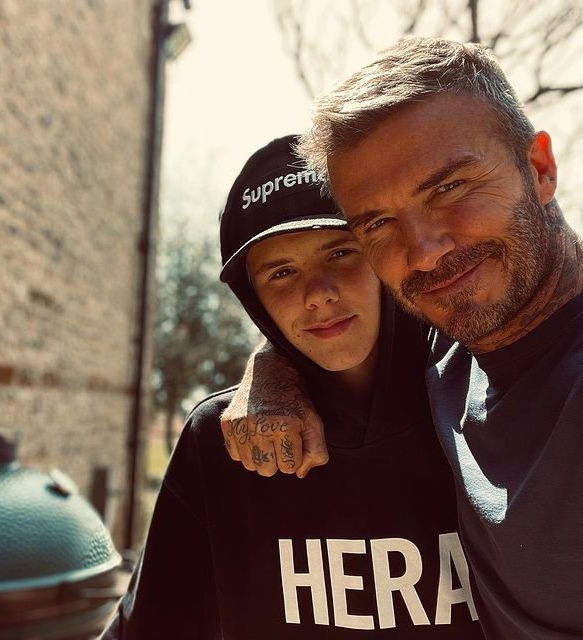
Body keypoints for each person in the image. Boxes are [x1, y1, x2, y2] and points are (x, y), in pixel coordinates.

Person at [221, 37, 583, 640]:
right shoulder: (452, 342)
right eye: (378, 224)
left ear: (539, 168)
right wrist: (274, 368)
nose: (424, 251)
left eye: (450, 188)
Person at [98, 135, 484, 639]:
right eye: (281, 272)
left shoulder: (485, 407)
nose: (318, 295)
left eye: (340, 252)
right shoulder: (219, 442)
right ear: (252, 297)